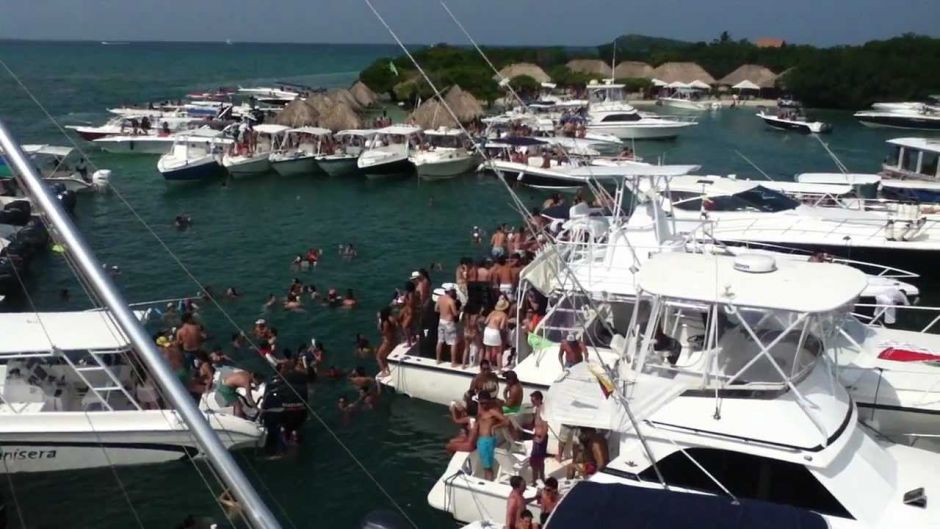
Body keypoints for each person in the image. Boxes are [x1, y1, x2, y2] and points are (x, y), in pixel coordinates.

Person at [477, 391, 509, 480]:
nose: (484, 405)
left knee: (488, 468)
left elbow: (506, 421)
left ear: (489, 401)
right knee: (486, 467)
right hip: (482, 441)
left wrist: (494, 427)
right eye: (481, 403)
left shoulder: (492, 411)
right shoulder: (481, 410)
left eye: (486, 403)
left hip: (487, 441)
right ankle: (487, 482)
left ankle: (488, 484)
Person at [435, 284, 459, 365]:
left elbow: (436, 309)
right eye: (453, 291)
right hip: (449, 322)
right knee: (453, 343)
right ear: (450, 291)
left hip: (441, 321)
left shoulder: (440, 298)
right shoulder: (450, 301)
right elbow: (455, 314)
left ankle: (438, 360)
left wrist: (443, 312)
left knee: (440, 341)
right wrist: (459, 311)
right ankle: (453, 362)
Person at [484, 298, 510, 368]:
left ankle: (486, 368)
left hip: (487, 330)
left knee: (487, 351)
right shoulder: (503, 315)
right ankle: (499, 369)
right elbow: (501, 327)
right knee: (498, 351)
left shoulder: (492, 312)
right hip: (495, 332)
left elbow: (486, 322)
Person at [529, 391, 548, 485]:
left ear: (539, 400)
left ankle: (535, 480)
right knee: (538, 460)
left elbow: (545, 426)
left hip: (540, 438)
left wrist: (541, 439)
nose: (532, 402)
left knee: (536, 461)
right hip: (536, 437)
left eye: (533, 400)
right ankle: (540, 478)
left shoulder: (543, 410)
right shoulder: (537, 409)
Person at [376, 307, 398, 376]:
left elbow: (384, 333)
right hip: (394, 340)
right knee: (386, 356)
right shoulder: (392, 320)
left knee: (379, 357)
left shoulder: (385, 323)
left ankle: (383, 372)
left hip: (387, 342)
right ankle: (388, 368)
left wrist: (379, 325)